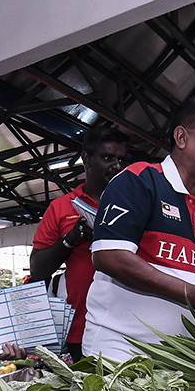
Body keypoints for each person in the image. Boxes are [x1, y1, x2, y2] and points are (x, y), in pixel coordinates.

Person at [83, 95, 195, 361]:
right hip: (120, 356)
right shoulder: (139, 181)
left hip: (188, 367)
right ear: (181, 137)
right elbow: (109, 256)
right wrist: (190, 293)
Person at [29, 126, 128, 358]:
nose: (117, 166)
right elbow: (37, 269)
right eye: (107, 157)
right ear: (87, 158)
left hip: (128, 329)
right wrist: (70, 240)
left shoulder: (135, 207)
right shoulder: (61, 207)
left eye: (121, 159)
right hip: (81, 331)